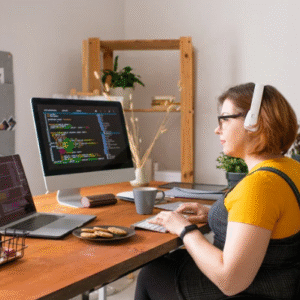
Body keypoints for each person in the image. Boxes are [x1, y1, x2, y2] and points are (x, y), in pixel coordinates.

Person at [134, 83, 300, 300]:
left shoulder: (260, 185)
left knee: (151, 274)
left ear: (255, 123)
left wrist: (184, 229)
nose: (217, 129)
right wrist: (215, 213)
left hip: (251, 290)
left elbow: (230, 281)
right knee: (168, 262)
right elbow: (267, 222)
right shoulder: (290, 168)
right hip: (282, 284)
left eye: (225, 119)